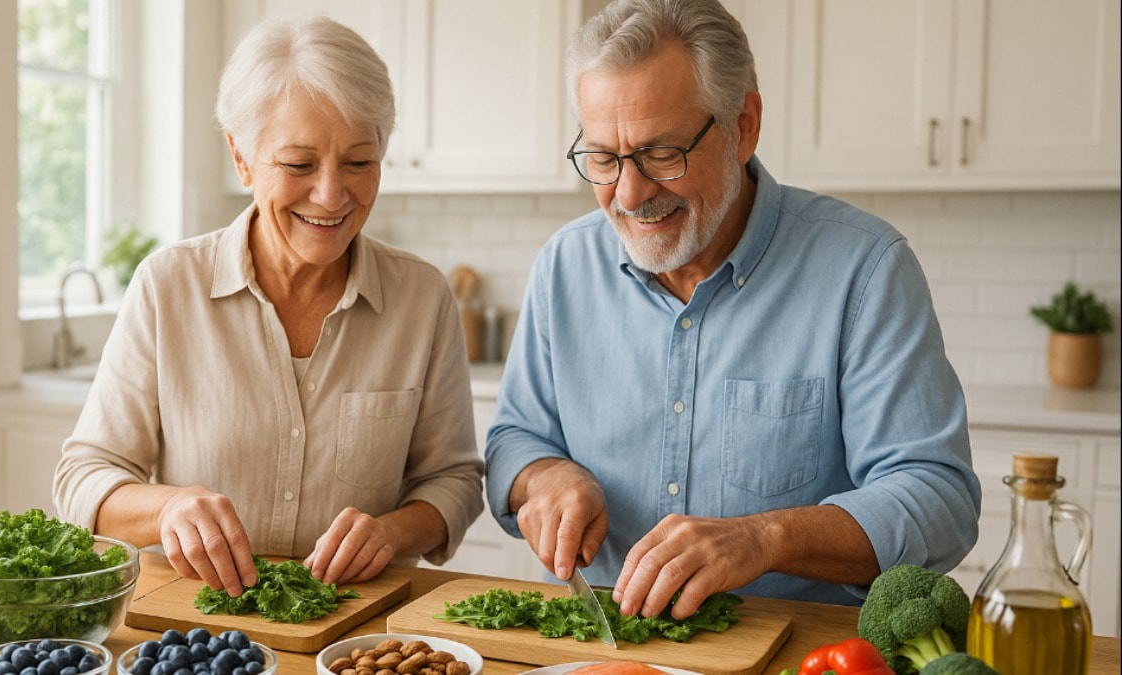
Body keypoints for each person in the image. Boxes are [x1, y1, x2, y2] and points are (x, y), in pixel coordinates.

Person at [484, 0, 981, 619]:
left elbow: (939, 500)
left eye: (662, 153)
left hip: (794, 652)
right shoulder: (563, 266)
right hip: (597, 646)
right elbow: (513, 440)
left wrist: (764, 539)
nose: (629, 194)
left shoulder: (865, 269)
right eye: (604, 159)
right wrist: (547, 477)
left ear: (744, 126)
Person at [53, 16, 484, 598]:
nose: (331, 195)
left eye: (359, 162)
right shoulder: (167, 286)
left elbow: (454, 481)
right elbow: (83, 479)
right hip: (198, 626)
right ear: (241, 156)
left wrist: (391, 532)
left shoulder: (423, 298)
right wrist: (170, 508)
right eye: (299, 164)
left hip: (356, 627)